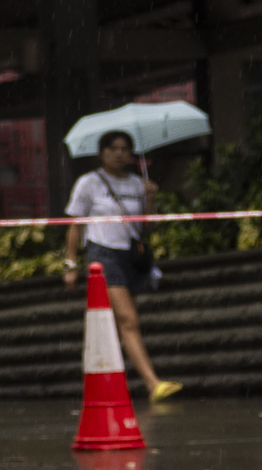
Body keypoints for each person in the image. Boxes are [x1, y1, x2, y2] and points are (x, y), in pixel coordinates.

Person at [63, 129, 183, 403]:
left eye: (124, 149)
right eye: (112, 148)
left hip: (132, 255)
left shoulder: (137, 183)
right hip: (102, 255)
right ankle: (153, 384)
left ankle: (112, 383)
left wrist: (150, 197)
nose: (119, 154)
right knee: (128, 319)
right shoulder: (89, 183)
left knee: (122, 323)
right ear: (102, 152)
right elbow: (74, 225)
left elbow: (146, 227)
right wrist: (70, 264)